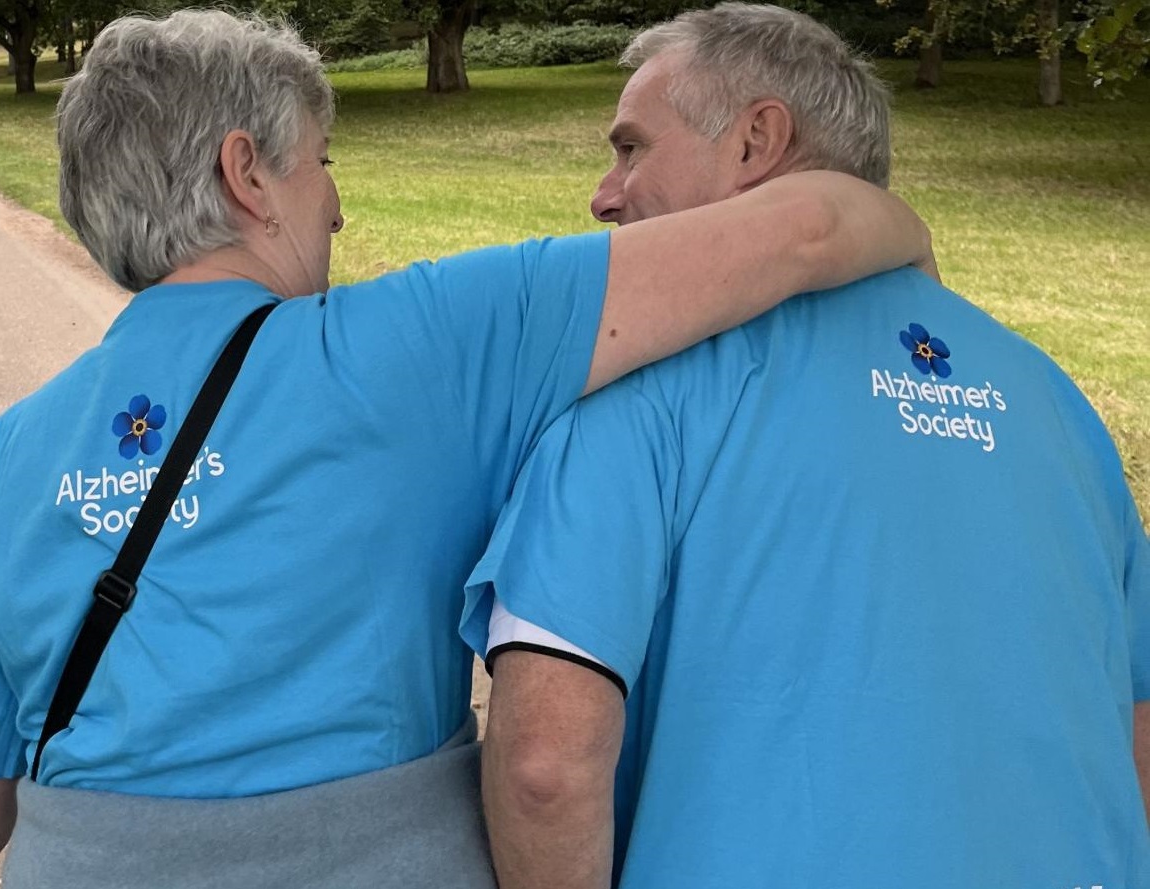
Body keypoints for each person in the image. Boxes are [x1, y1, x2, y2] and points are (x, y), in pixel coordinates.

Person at [0, 9, 932, 887]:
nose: (334, 203)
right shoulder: (416, 346)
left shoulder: (9, 454)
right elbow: (807, 231)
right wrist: (914, 245)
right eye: (319, 162)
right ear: (247, 175)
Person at [463, 5, 1150, 888]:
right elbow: (1133, 725)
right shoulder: (1053, 397)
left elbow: (544, 769)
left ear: (756, 142)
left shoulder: (637, 393)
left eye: (630, 147)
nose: (604, 193)